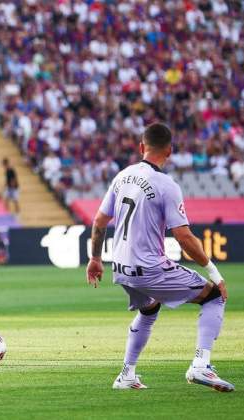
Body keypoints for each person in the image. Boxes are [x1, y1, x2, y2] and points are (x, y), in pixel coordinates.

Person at [86, 123, 234, 392]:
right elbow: (184, 237)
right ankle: (201, 366)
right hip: (150, 267)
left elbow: (99, 221)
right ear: (170, 150)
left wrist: (95, 258)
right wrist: (214, 272)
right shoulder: (167, 185)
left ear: (141, 147)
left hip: (121, 268)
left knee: (149, 308)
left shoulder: (122, 176)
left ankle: (127, 374)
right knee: (214, 296)